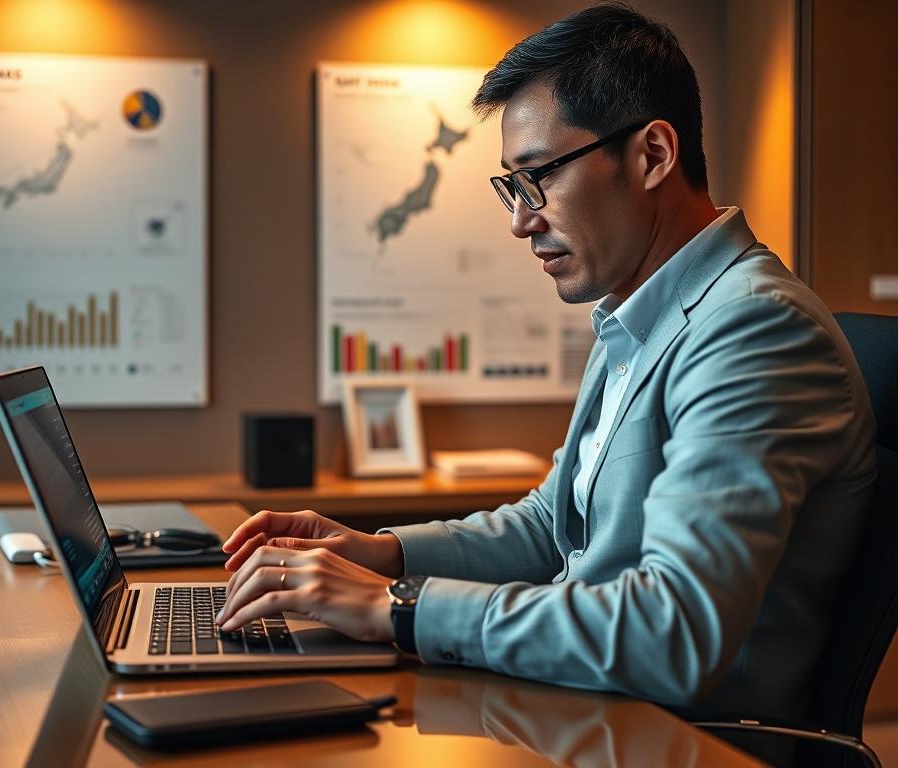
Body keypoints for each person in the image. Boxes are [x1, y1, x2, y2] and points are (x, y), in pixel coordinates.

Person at [216, 2, 876, 721]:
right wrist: (383, 555)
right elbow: (550, 527)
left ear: (653, 154)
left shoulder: (752, 328)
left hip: (681, 740)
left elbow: (674, 634)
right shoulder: (640, 314)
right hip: (590, 710)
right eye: (512, 185)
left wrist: (399, 607)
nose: (520, 220)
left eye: (540, 177)